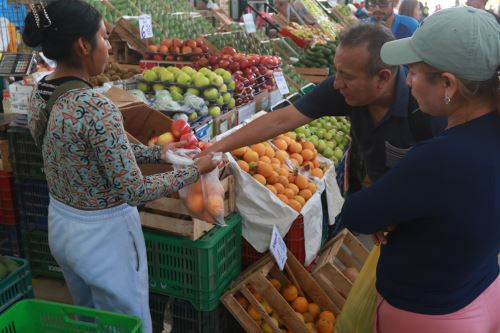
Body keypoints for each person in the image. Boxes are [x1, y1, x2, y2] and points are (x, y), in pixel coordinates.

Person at [22, 1, 218, 332]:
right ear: (83, 45)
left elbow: (89, 149)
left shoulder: (40, 92)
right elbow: (133, 190)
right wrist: (194, 170)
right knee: (128, 320)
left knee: (90, 318)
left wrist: (159, 154)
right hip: (104, 235)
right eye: (104, 37)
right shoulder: (97, 107)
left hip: (62, 224)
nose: (110, 47)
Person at [339, 7, 500, 332]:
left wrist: (394, 210)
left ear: (448, 85)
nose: (407, 81)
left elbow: (356, 214)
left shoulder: (441, 157)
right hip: (482, 288)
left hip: (428, 315)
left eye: (413, 71)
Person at [202, 23, 444, 192]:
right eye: (336, 71)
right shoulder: (344, 89)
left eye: (346, 76)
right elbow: (280, 120)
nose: (336, 83)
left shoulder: (426, 109)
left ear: (381, 78)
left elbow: (443, 179)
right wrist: (215, 150)